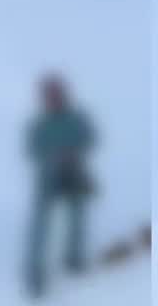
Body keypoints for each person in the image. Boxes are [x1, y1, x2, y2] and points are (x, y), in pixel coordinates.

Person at [23, 73, 96, 299]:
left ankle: (74, 259)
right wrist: (53, 157)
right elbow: (32, 149)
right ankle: (35, 272)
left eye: (57, 95)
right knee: (40, 225)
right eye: (49, 96)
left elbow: (90, 138)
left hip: (73, 175)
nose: (53, 99)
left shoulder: (76, 119)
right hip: (48, 180)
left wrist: (73, 152)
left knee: (78, 216)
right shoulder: (40, 124)